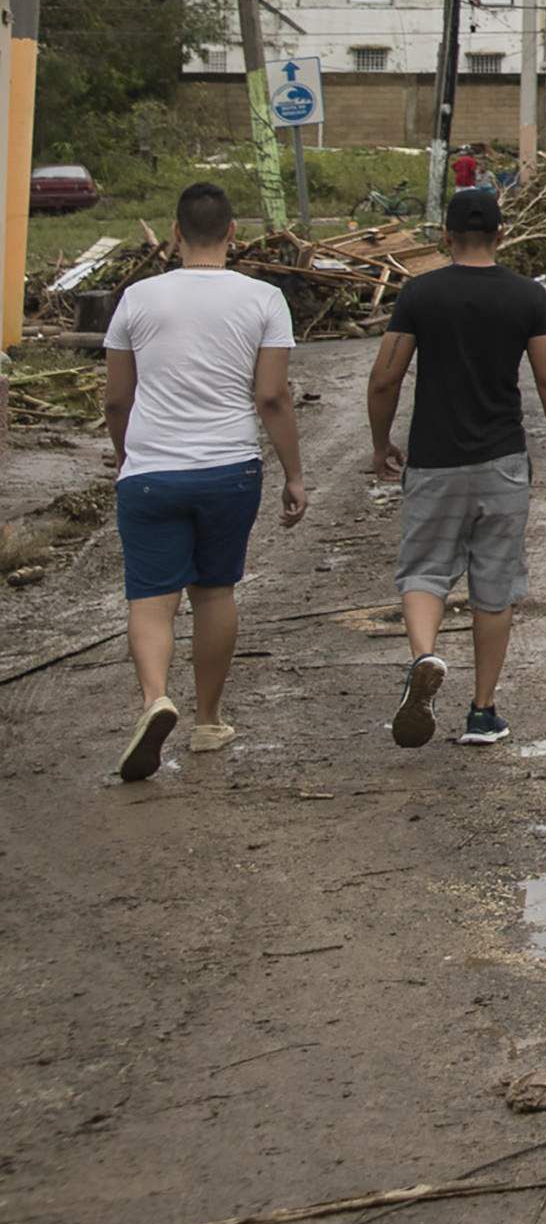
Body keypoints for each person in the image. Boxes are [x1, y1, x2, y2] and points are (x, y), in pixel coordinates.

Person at [100, 184, 305, 779]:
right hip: (228, 469)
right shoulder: (264, 298)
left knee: (151, 598)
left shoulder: (137, 298)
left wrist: (125, 456)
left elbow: (117, 399)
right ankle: (208, 720)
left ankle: (154, 699)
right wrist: (293, 473)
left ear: (174, 233)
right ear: (234, 233)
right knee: (214, 592)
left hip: (151, 472)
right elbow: (271, 396)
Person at [365, 183, 546, 747]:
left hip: (434, 460)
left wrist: (381, 440)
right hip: (502, 461)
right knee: (495, 587)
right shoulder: (528, 296)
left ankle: (426, 658)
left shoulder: (419, 294)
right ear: (501, 236)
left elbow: (386, 376)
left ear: (446, 237)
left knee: (424, 571)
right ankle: (483, 712)